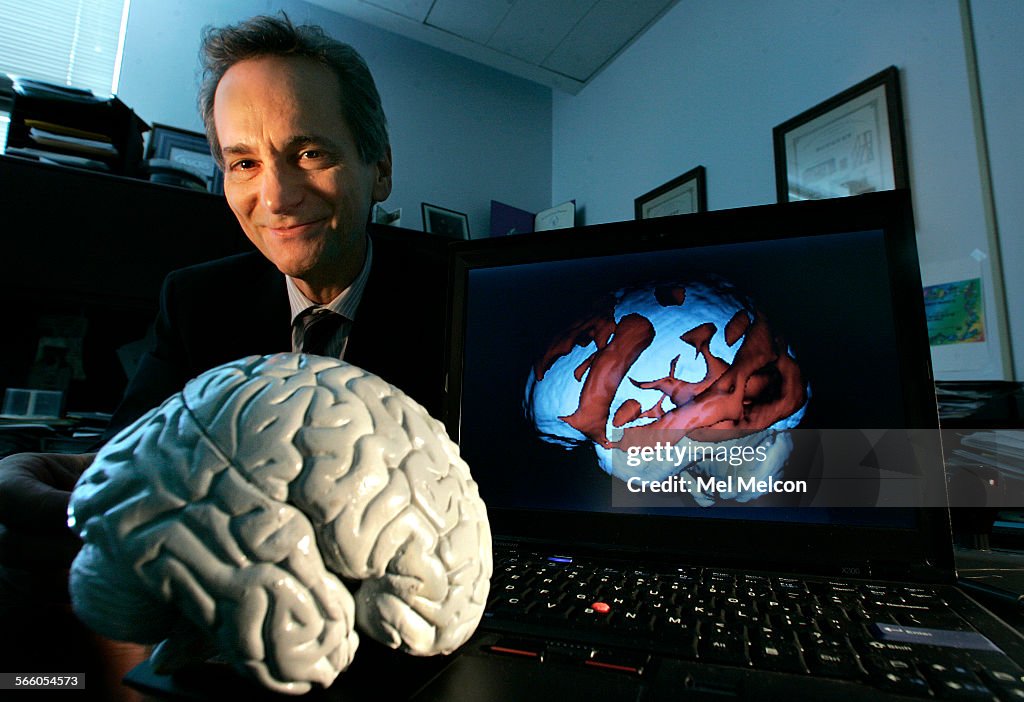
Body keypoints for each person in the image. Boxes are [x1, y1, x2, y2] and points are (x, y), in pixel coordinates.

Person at [0, 13, 450, 686]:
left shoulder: (460, 300)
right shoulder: (196, 302)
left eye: (309, 154)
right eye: (244, 163)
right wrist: (78, 482)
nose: (275, 195)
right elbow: (132, 459)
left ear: (378, 166)